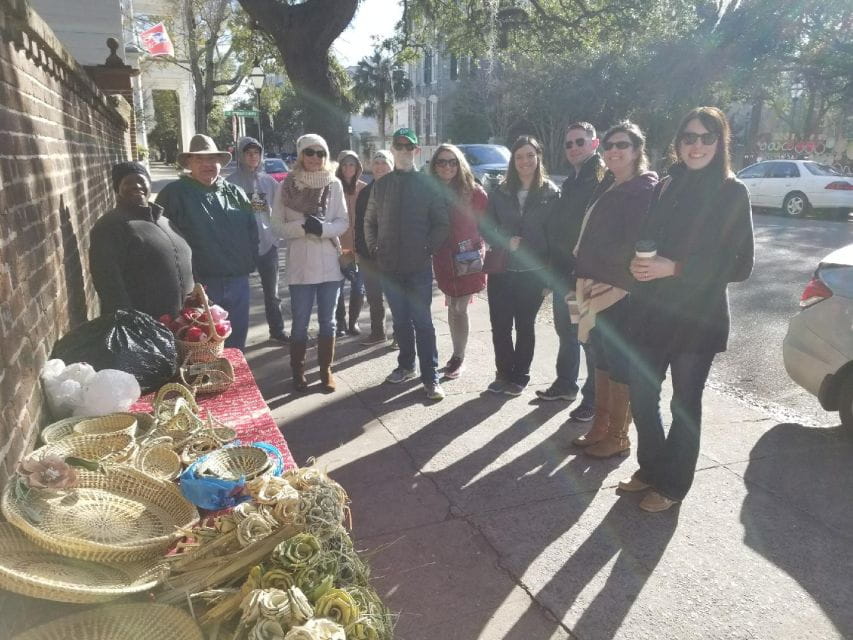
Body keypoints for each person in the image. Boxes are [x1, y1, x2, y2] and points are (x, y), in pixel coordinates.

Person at [621, 107, 754, 512]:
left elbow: (740, 265)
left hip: (698, 316)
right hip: (654, 309)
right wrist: (639, 261)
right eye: (689, 137)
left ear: (720, 143)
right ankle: (653, 466)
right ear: (678, 143)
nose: (697, 146)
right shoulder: (668, 184)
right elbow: (652, 237)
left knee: (684, 403)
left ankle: (674, 485)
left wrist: (673, 267)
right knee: (642, 395)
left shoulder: (732, 192)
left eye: (707, 137)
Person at [573, 121, 658, 458]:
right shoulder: (610, 183)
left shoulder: (642, 189)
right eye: (608, 146)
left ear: (637, 150)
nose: (613, 152)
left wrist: (605, 268)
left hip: (618, 289)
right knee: (599, 355)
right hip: (591, 282)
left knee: (619, 361)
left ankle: (618, 436)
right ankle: (601, 426)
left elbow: (636, 244)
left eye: (622, 145)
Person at [364, 128, 450, 401]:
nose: (403, 150)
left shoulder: (427, 185)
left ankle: (431, 377)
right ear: (392, 150)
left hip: (418, 267)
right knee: (400, 321)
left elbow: (441, 223)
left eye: (408, 146)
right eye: (398, 146)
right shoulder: (382, 184)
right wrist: (375, 248)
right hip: (390, 266)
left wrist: (427, 248)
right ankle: (405, 365)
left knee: (423, 322)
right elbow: (369, 222)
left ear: (417, 151)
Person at [156, 134, 258, 350]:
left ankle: (234, 381)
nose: (207, 165)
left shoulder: (235, 193)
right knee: (203, 347)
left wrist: (251, 261)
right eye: (200, 159)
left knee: (236, 343)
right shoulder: (174, 195)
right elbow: (161, 240)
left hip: (238, 281)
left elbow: (252, 231)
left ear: (220, 162)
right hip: (201, 285)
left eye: (212, 159)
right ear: (189, 163)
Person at [480, 136, 559, 396]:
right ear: (512, 161)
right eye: (519, 157)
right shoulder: (500, 191)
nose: (525, 161)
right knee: (500, 325)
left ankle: (520, 376)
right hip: (502, 270)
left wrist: (550, 277)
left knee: (525, 325)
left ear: (538, 158)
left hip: (532, 273)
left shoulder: (551, 192)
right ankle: (502, 374)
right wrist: (504, 240)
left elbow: (557, 237)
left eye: (530, 155)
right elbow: (485, 227)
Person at [538, 122, 605, 425]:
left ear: (594, 143)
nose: (574, 147)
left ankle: (593, 399)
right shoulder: (572, 180)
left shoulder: (601, 178)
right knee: (566, 333)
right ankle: (566, 385)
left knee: (587, 339)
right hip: (563, 273)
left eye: (580, 141)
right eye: (569, 144)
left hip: (584, 276)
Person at [273, 134, 348, 392]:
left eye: (320, 153)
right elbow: (277, 225)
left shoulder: (334, 184)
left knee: (329, 322)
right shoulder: (287, 186)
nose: (315, 157)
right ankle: (298, 371)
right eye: (309, 152)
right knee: (300, 323)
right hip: (301, 265)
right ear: (300, 155)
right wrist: (303, 227)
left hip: (329, 264)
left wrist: (323, 229)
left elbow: (342, 222)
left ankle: (326, 370)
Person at [90, 162, 194, 318]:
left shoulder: (165, 221)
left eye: (141, 180)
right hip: (145, 326)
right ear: (117, 189)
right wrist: (128, 321)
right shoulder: (111, 225)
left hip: (182, 322)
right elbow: (107, 280)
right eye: (128, 182)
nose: (136, 185)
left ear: (149, 185)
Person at [429, 143, 488, 380]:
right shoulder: (430, 191)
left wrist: (478, 247)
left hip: (467, 259)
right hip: (443, 258)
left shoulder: (474, 192)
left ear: (460, 164)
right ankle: (456, 354)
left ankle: (459, 356)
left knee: (460, 307)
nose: (447, 166)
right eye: (442, 162)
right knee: (452, 305)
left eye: (452, 162)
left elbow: (486, 225)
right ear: (435, 165)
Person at [226, 136, 289, 343]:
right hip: (242, 248)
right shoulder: (230, 183)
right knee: (238, 295)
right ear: (241, 156)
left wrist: (275, 236)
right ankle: (235, 337)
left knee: (272, 294)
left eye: (256, 153)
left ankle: (277, 330)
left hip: (267, 246)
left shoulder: (268, 182)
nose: (253, 157)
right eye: (248, 153)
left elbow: (278, 212)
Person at [355, 150, 394, 345]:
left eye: (384, 162)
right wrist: (359, 250)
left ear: (392, 166)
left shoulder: (399, 190)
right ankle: (378, 332)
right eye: (376, 162)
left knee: (396, 297)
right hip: (368, 254)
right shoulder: (365, 192)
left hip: (395, 256)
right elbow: (359, 224)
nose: (379, 166)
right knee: (374, 297)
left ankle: (400, 336)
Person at [334, 150, 368, 337]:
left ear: (358, 168)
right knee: (338, 286)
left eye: (352, 165)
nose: (348, 168)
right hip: (341, 247)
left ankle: (353, 323)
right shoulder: (333, 187)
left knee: (358, 286)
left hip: (360, 248)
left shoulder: (364, 188)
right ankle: (340, 322)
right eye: (345, 164)